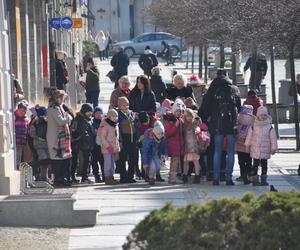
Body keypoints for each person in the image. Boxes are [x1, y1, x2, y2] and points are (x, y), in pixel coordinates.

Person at [200, 69, 241, 186]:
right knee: (230, 152)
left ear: (217, 76)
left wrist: (208, 118)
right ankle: (229, 178)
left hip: (217, 123)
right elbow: (239, 106)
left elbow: (205, 106)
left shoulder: (213, 88)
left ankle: (216, 178)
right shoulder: (234, 88)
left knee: (217, 150)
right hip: (231, 123)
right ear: (227, 75)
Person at [245, 106, 278, 186]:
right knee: (255, 164)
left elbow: (273, 138)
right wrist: (247, 145)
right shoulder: (254, 126)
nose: (263, 117)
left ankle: (264, 179)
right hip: (255, 148)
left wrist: (274, 148)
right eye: (261, 115)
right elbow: (249, 136)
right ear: (257, 115)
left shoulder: (269, 127)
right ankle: (255, 179)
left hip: (265, 149)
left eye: (264, 115)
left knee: (264, 165)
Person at [47, 90, 72, 187]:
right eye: (62, 98)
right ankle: (58, 179)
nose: (63, 100)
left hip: (61, 138)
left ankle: (62, 178)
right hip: (55, 138)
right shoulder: (53, 108)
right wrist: (69, 117)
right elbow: (61, 121)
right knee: (57, 159)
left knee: (62, 159)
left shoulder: (59, 107)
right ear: (58, 98)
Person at [164, 99, 185, 184]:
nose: (179, 113)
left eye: (180, 111)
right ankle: (173, 177)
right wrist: (175, 126)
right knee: (175, 161)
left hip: (178, 144)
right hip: (173, 144)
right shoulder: (171, 120)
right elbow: (168, 133)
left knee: (174, 161)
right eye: (177, 111)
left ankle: (171, 176)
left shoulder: (179, 119)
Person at [97, 109, 120, 185]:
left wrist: (117, 147)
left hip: (113, 148)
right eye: (113, 116)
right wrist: (108, 146)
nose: (115, 118)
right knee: (108, 164)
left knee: (112, 164)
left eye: (116, 116)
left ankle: (111, 177)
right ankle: (107, 178)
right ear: (109, 117)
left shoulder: (115, 125)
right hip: (107, 149)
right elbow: (103, 137)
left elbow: (116, 138)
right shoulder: (106, 126)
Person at [117, 97, 137, 183]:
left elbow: (135, 126)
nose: (126, 106)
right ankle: (123, 177)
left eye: (127, 104)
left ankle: (130, 176)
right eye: (124, 105)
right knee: (123, 158)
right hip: (123, 139)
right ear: (119, 106)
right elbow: (117, 128)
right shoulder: (118, 115)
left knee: (133, 158)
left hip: (132, 138)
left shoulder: (132, 113)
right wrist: (119, 140)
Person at [142, 121, 168, 185]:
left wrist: (164, 154)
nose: (160, 135)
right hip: (149, 154)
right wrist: (145, 162)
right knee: (152, 167)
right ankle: (151, 178)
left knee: (158, 166)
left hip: (155, 153)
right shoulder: (149, 138)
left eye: (162, 133)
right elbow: (145, 150)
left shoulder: (162, 137)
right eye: (158, 134)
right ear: (155, 133)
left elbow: (164, 145)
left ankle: (156, 176)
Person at [235, 105, 255, 185]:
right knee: (249, 161)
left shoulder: (239, 117)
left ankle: (242, 174)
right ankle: (248, 174)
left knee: (241, 161)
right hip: (248, 146)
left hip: (239, 146)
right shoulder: (253, 119)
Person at [29, 106, 50, 181]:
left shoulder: (47, 121)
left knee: (46, 161)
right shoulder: (35, 121)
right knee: (43, 159)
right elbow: (31, 133)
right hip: (39, 144)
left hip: (46, 144)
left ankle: (44, 177)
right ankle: (33, 170)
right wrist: (39, 138)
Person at [76, 103, 95, 183]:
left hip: (85, 144)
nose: (90, 113)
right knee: (86, 161)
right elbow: (84, 133)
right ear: (84, 111)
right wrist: (90, 140)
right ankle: (85, 177)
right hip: (84, 144)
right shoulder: (83, 120)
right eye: (88, 111)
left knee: (87, 161)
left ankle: (85, 177)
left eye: (91, 111)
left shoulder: (85, 119)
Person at [182, 108, 202, 184]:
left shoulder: (194, 124)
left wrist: (197, 130)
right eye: (187, 116)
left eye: (190, 116)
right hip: (187, 147)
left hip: (193, 146)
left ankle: (197, 176)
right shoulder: (184, 125)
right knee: (185, 162)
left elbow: (198, 128)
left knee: (196, 162)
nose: (189, 117)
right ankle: (185, 175)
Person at [91, 107, 105, 183]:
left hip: (103, 146)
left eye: (100, 113)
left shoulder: (105, 123)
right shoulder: (92, 123)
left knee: (103, 162)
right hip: (94, 146)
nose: (99, 115)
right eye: (97, 113)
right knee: (94, 162)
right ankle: (97, 176)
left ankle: (104, 176)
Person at [15, 101, 29, 166]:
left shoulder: (26, 119)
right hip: (15, 140)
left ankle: (18, 165)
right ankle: (17, 165)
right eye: (21, 110)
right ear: (18, 109)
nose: (23, 112)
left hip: (22, 141)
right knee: (16, 153)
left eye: (24, 111)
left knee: (19, 154)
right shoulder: (14, 117)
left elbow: (27, 129)